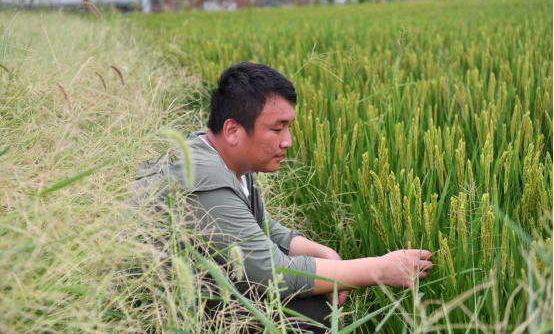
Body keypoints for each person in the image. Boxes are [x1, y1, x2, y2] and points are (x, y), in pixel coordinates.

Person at [135, 62, 433, 333]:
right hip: (159, 314)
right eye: (277, 129)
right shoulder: (203, 179)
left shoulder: (222, 156)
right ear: (233, 130)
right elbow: (275, 272)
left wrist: (323, 252)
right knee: (309, 309)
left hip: (194, 288)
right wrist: (380, 269)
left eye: (289, 128)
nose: (287, 141)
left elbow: (259, 226)